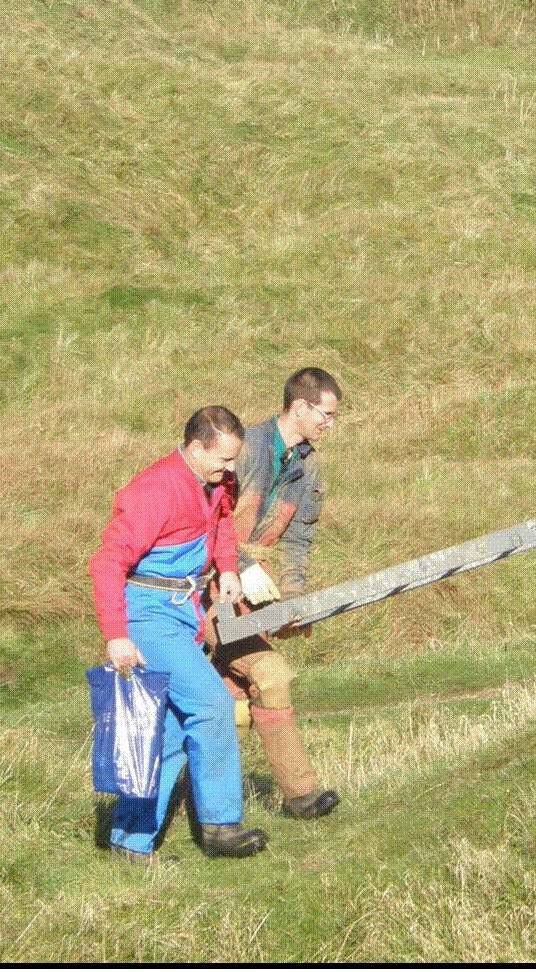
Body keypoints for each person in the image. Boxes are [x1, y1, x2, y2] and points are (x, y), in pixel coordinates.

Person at [89, 406, 269, 865]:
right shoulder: (154, 491)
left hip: (183, 614)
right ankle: (220, 826)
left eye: (234, 461)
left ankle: (130, 843)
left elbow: (222, 520)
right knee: (211, 705)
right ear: (194, 448)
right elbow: (107, 563)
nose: (231, 471)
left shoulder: (214, 483)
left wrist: (227, 567)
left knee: (166, 732)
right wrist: (116, 635)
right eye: (223, 461)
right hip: (147, 617)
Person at [210, 368, 342, 821]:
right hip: (207, 582)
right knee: (264, 677)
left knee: (233, 696)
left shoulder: (308, 466)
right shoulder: (243, 450)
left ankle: (213, 808)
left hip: (250, 587)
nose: (330, 424)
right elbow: (207, 522)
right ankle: (298, 796)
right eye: (325, 414)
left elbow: (298, 539)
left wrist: (294, 599)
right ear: (299, 407)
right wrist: (240, 567)